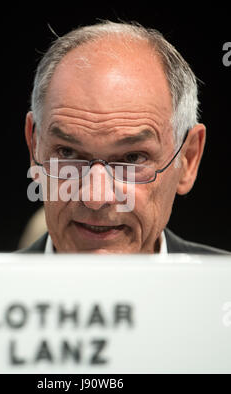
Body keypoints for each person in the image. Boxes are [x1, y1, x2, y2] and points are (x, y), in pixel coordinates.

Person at [20, 21, 229, 254]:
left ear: (188, 158)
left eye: (132, 158)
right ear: (35, 147)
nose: (95, 198)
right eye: (67, 152)